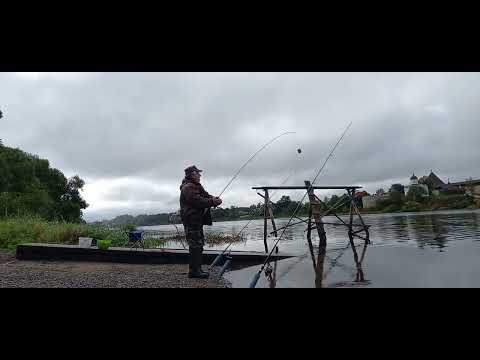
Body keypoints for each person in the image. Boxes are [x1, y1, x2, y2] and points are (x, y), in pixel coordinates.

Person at [180, 165, 222, 278]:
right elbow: (197, 201)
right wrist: (213, 201)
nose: (199, 175)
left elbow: (205, 196)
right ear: (192, 174)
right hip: (191, 221)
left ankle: (196, 270)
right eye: (197, 173)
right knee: (195, 246)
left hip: (196, 221)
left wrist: (214, 199)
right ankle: (194, 272)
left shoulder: (196, 186)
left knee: (198, 245)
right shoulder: (188, 187)